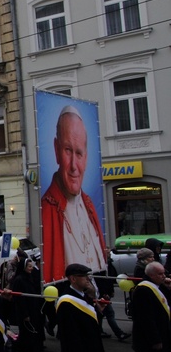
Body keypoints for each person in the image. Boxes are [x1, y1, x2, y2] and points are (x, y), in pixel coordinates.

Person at [42, 106, 107, 281]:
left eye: (78, 153)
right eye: (67, 150)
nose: (73, 166)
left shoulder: (89, 205)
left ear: (85, 158)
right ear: (56, 150)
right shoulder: (48, 208)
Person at [55, 263, 111, 352]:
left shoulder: (84, 296)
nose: (88, 279)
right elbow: (72, 340)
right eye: (83, 276)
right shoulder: (66, 302)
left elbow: (90, 324)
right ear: (73, 279)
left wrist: (98, 311)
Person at [120, 261, 171, 352]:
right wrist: (155, 340)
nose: (164, 276)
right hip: (151, 341)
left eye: (164, 273)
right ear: (151, 275)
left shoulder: (157, 287)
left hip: (162, 338)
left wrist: (168, 288)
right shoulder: (144, 290)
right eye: (160, 274)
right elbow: (146, 319)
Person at [12, 258, 43, 352]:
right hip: (25, 311)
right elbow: (19, 300)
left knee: (30, 334)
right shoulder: (19, 280)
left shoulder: (30, 277)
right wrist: (25, 314)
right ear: (24, 267)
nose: (31, 269)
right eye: (29, 267)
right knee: (27, 335)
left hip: (33, 309)